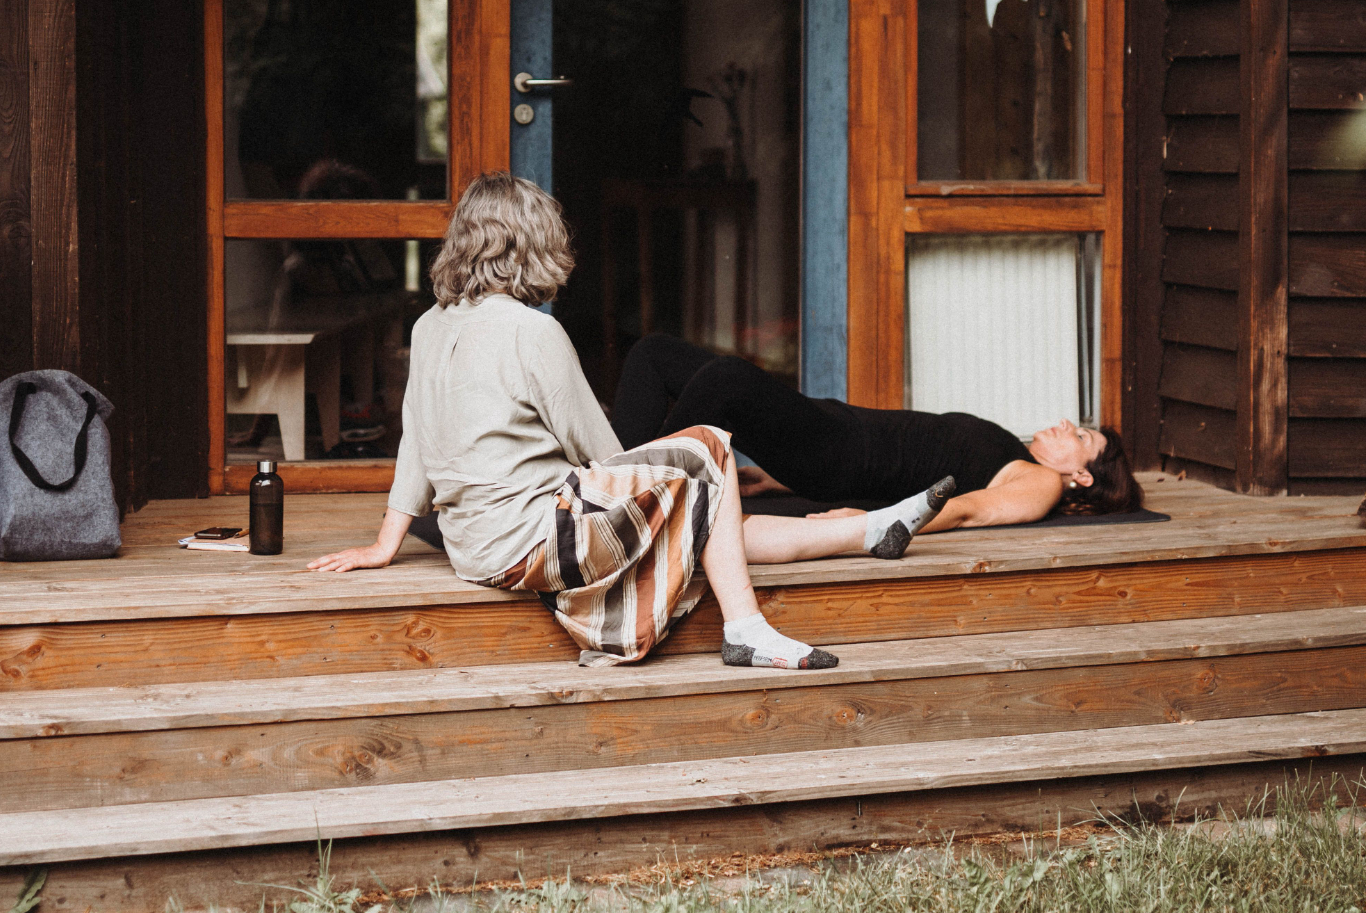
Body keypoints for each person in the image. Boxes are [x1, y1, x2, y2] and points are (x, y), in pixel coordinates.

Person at [306, 174, 948, 670]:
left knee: (704, 510)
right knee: (710, 449)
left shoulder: (427, 325)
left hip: (475, 551)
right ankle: (746, 630)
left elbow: (415, 441)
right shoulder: (533, 333)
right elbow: (600, 451)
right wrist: (666, 481)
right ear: (532, 245)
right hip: (538, 540)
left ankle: (872, 530)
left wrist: (385, 543)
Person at [609, 334, 1142, 533]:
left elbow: (964, 511)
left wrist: (867, 524)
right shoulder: (1011, 449)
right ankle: (611, 482)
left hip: (838, 453)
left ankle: (623, 501)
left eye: (1083, 438)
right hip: (830, 429)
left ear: (1081, 476)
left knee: (726, 379)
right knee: (655, 355)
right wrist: (778, 481)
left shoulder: (1041, 482)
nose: (1068, 425)